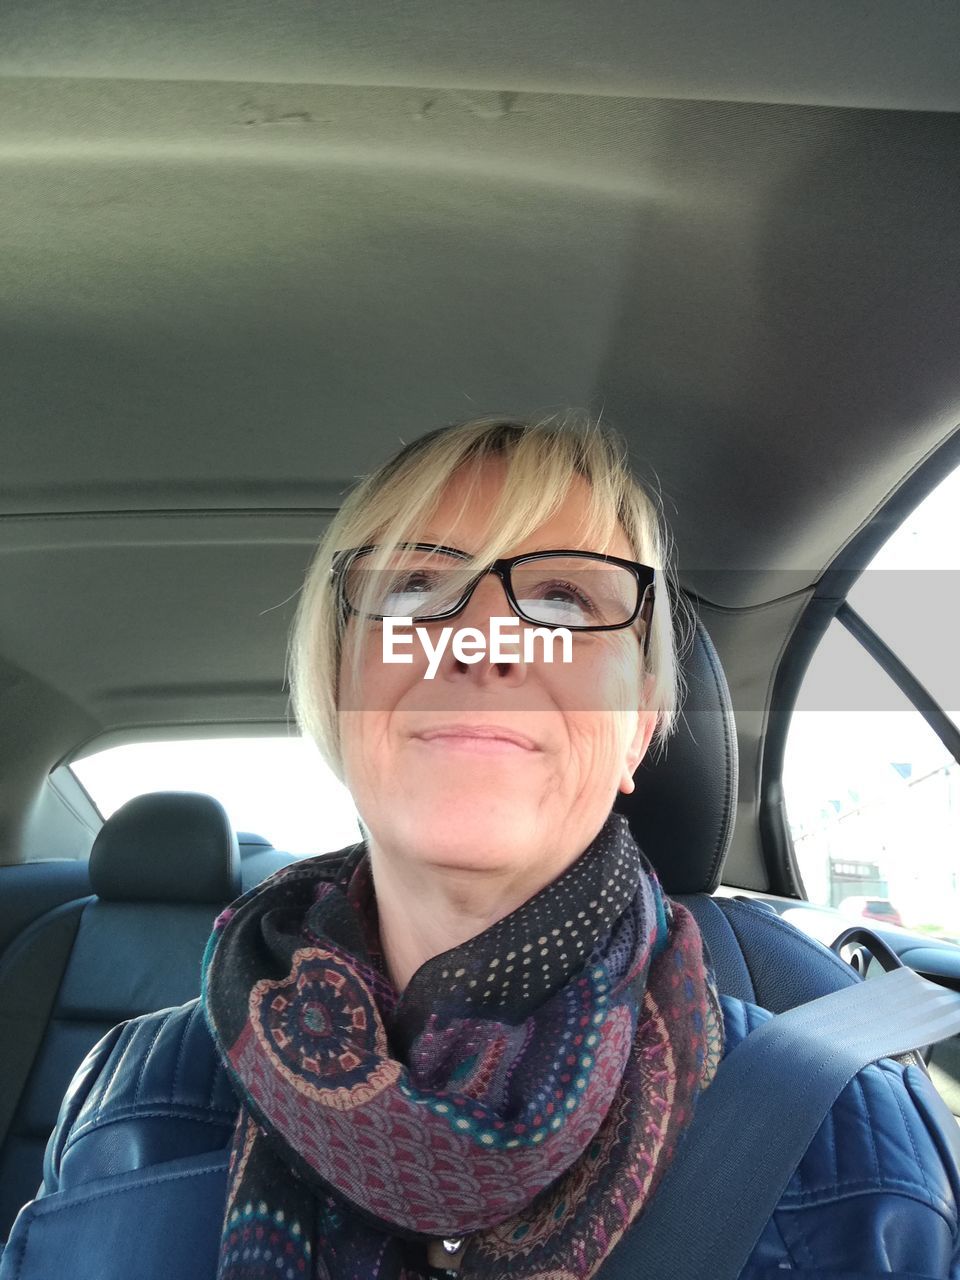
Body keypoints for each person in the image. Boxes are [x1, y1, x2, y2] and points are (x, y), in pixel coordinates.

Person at [8, 415, 960, 1279]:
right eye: (417, 588)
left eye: (562, 600)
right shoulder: (133, 1101)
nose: (482, 642)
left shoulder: (852, 1147)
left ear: (635, 730)